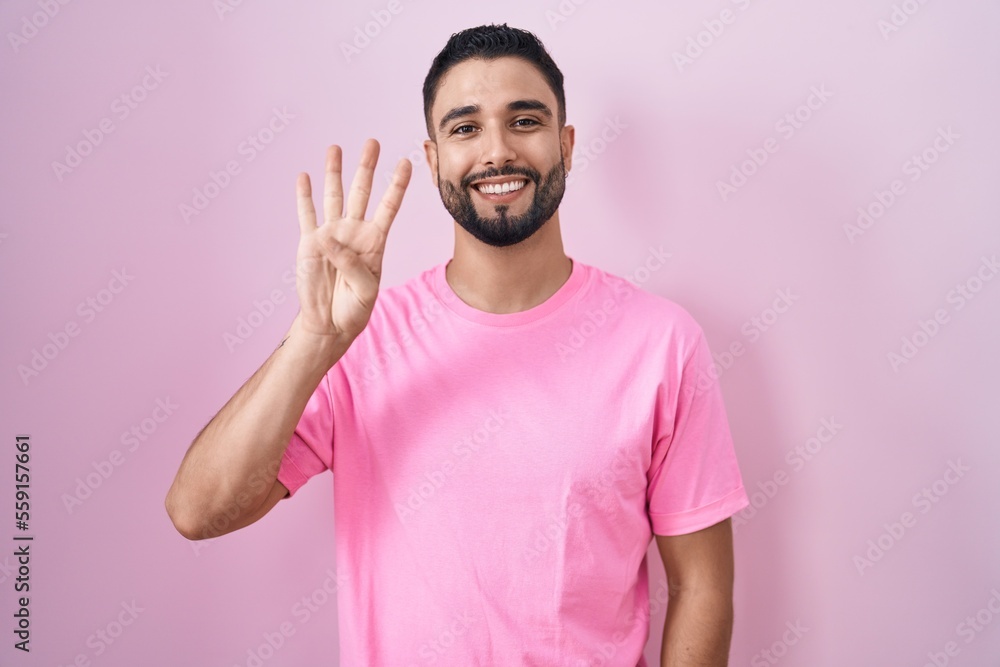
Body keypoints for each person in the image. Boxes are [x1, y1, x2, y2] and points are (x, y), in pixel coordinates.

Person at [165, 23, 750, 666]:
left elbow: (701, 584)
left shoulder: (661, 343)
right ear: (435, 155)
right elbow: (198, 511)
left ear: (566, 144)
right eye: (465, 128)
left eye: (524, 121)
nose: (497, 152)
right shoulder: (358, 341)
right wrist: (313, 340)